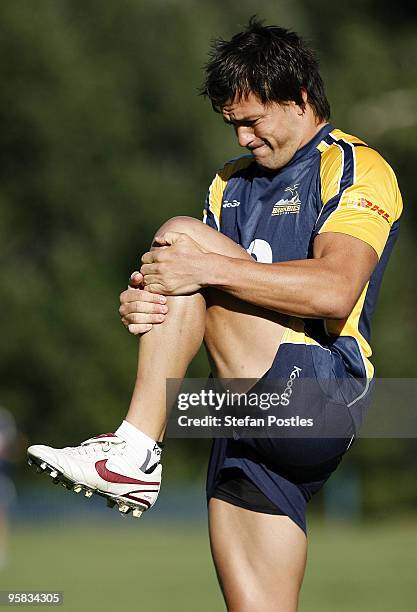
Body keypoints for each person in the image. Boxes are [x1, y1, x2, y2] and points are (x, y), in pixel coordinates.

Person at [28, 18, 402, 611]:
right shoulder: (228, 185)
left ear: (299, 98)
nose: (244, 137)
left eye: (252, 120)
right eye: (233, 125)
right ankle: (135, 451)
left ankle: (133, 451)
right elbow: (198, 295)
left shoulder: (354, 166)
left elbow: (335, 292)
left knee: (180, 236)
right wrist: (148, 298)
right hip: (236, 411)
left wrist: (197, 268)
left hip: (321, 396)